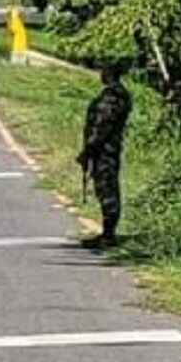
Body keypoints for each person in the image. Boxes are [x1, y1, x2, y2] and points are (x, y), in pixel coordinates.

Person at [77, 62, 133, 248]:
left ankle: (109, 235)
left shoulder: (112, 97)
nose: (101, 74)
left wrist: (87, 151)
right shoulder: (118, 95)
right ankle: (108, 233)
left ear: (109, 73)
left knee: (107, 190)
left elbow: (101, 127)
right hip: (107, 150)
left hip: (104, 151)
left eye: (104, 70)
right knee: (107, 188)